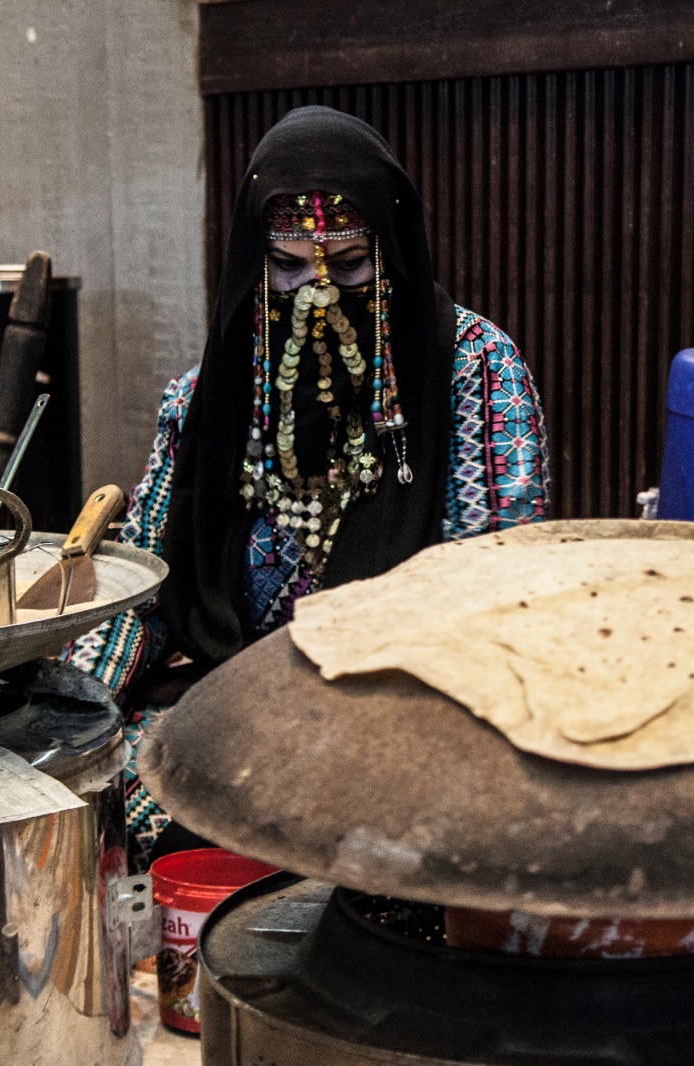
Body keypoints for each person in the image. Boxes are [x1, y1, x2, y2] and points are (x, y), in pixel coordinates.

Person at [68, 106, 550, 870]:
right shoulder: (209, 396)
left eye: (351, 264)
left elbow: (491, 588)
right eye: (287, 268)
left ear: (391, 252)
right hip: (233, 703)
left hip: (406, 707)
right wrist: (65, 707)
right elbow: (146, 586)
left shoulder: (475, 373)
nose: (316, 295)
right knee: (114, 780)